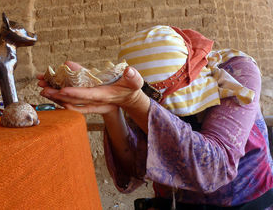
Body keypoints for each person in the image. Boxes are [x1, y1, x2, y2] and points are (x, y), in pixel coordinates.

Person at [37, 25, 273, 210]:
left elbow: (215, 167)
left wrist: (135, 102)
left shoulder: (237, 72)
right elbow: (133, 173)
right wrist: (111, 109)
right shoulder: (136, 91)